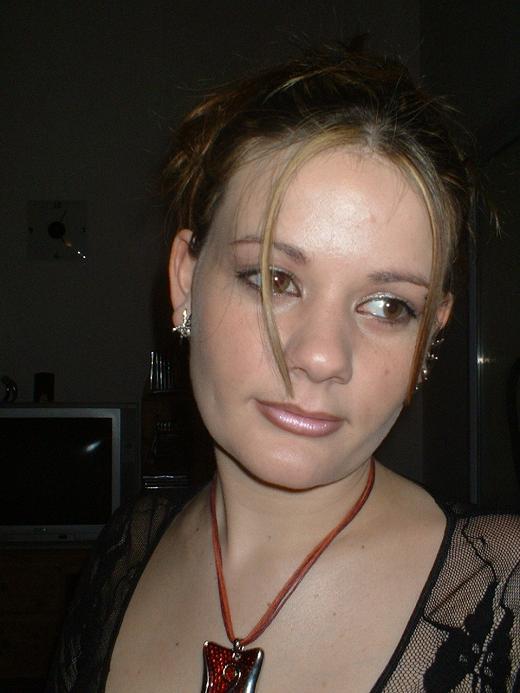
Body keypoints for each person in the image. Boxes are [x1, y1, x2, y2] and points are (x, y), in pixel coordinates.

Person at [48, 43, 520, 692]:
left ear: (431, 331)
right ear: (186, 281)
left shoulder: (504, 593)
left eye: (387, 305)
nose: (323, 356)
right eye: (274, 278)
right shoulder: (124, 551)